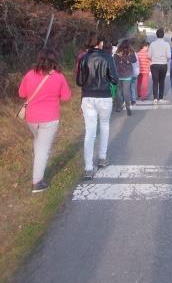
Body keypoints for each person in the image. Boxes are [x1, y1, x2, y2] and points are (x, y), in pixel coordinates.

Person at [19, 48, 72, 193]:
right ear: (54, 59)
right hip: (49, 118)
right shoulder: (59, 77)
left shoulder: (29, 75)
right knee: (43, 150)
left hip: (32, 118)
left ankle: (37, 166)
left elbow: (21, 93)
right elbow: (66, 97)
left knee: (38, 143)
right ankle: (37, 183)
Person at [77, 33, 119, 180]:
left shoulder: (83, 58)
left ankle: (88, 167)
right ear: (100, 43)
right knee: (105, 125)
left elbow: (79, 81)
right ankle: (102, 158)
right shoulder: (107, 57)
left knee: (90, 131)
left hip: (88, 97)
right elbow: (115, 79)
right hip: (104, 96)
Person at [113, 39, 137, 116]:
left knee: (119, 91)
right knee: (126, 92)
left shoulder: (117, 53)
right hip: (127, 75)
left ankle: (119, 107)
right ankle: (128, 107)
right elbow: (134, 61)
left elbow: (114, 62)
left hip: (119, 74)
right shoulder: (131, 52)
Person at [148, 28, 171, 102]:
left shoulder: (152, 44)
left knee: (155, 81)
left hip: (154, 65)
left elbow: (148, 56)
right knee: (162, 81)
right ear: (163, 35)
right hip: (163, 65)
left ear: (156, 35)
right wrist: (165, 60)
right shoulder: (166, 44)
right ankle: (160, 97)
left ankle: (155, 98)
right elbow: (169, 56)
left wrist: (153, 59)